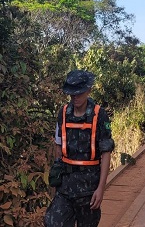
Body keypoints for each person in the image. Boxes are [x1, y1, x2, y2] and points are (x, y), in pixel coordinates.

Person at [45, 70, 115, 227]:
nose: (75, 96)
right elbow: (58, 146)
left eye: (79, 92)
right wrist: (56, 180)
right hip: (65, 187)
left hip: (88, 189)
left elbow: (106, 152)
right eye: (71, 93)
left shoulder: (99, 115)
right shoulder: (63, 113)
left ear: (89, 90)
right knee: (53, 222)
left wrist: (101, 189)